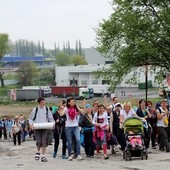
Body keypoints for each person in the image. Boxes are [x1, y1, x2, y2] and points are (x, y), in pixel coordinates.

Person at [29, 97, 54, 162]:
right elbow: (31, 118)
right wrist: (31, 124)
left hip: (45, 127)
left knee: (44, 142)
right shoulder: (36, 109)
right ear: (39, 102)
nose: (44, 103)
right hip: (37, 127)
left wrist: (53, 124)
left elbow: (50, 118)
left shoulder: (47, 109)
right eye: (42, 102)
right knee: (39, 141)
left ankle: (43, 156)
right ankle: (38, 152)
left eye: (44, 102)